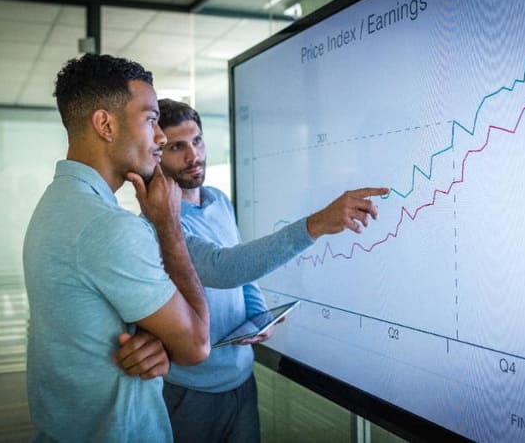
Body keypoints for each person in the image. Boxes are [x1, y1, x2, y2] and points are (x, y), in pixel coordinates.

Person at [153, 98, 388, 443]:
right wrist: (317, 224)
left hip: (241, 379)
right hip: (190, 391)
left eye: (197, 140)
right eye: (177, 147)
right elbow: (224, 268)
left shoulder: (218, 199)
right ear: (157, 154)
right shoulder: (163, 222)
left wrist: (259, 314)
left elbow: (241, 272)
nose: (193, 156)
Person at [23, 54, 211, 443]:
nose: (161, 136)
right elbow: (196, 345)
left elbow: (90, 320)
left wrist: (158, 341)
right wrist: (168, 226)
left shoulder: (56, 204)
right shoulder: (106, 226)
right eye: (150, 119)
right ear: (105, 124)